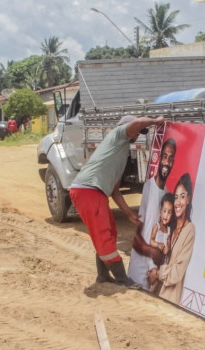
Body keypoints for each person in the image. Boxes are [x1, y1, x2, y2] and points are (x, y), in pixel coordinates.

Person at [69, 114, 165, 286]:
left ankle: (103, 276)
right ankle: (123, 279)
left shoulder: (120, 152)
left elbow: (115, 191)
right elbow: (137, 123)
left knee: (110, 232)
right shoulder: (119, 134)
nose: (137, 136)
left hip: (93, 191)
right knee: (103, 234)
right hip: (88, 191)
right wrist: (155, 121)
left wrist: (129, 214)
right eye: (136, 132)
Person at [128, 138, 176, 289]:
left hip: (153, 276)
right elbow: (135, 237)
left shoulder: (167, 195)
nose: (167, 162)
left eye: (171, 158)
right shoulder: (149, 187)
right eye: (164, 156)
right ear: (159, 158)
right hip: (138, 273)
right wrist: (152, 252)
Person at [148, 173, 195, 304]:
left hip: (169, 298)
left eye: (182, 196)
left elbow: (177, 272)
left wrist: (157, 273)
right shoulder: (171, 226)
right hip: (155, 294)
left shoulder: (190, 230)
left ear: (188, 199)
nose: (178, 202)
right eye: (176, 197)